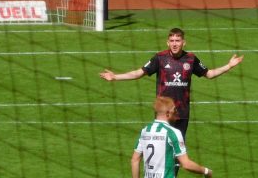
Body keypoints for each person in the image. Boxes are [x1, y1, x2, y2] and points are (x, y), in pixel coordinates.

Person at [101, 27, 243, 139]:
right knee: (162, 147)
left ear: (183, 42)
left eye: (178, 41)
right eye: (172, 41)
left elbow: (210, 74)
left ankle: (173, 177)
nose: (175, 44)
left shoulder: (191, 59)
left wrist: (229, 66)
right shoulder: (160, 58)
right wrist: (115, 77)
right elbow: (139, 73)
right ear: (167, 42)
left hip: (182, 112)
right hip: (163, 112)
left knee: (178, 152)